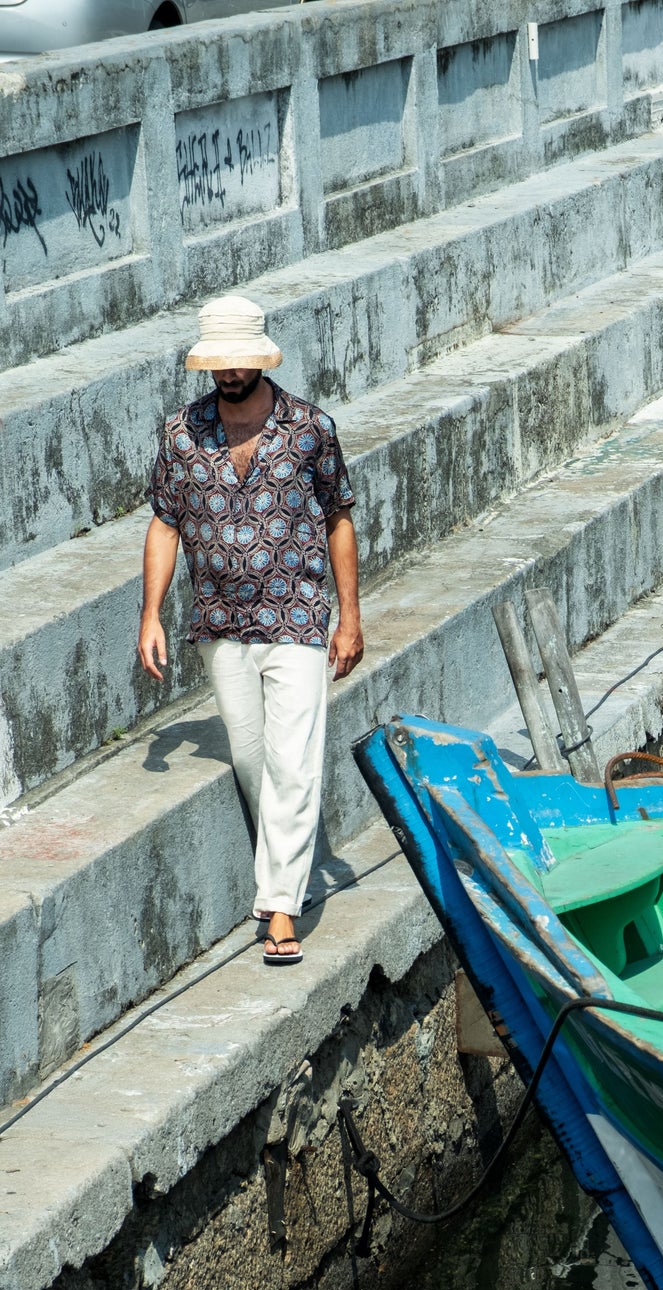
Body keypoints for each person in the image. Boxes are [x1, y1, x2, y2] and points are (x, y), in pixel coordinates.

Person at [138, 293, 364, 965]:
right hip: (218, 621)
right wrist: (150, 612)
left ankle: (280, 909)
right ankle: (285, 872)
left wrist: (350, 618)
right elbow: (164, 521)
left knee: (294, 762)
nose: (230, 374)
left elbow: (338, 520)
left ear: (260, 359)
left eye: (240, 362)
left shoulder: (310, 429)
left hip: (296, 615)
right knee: (252, 760)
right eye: (220, 364)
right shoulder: (181, 433)